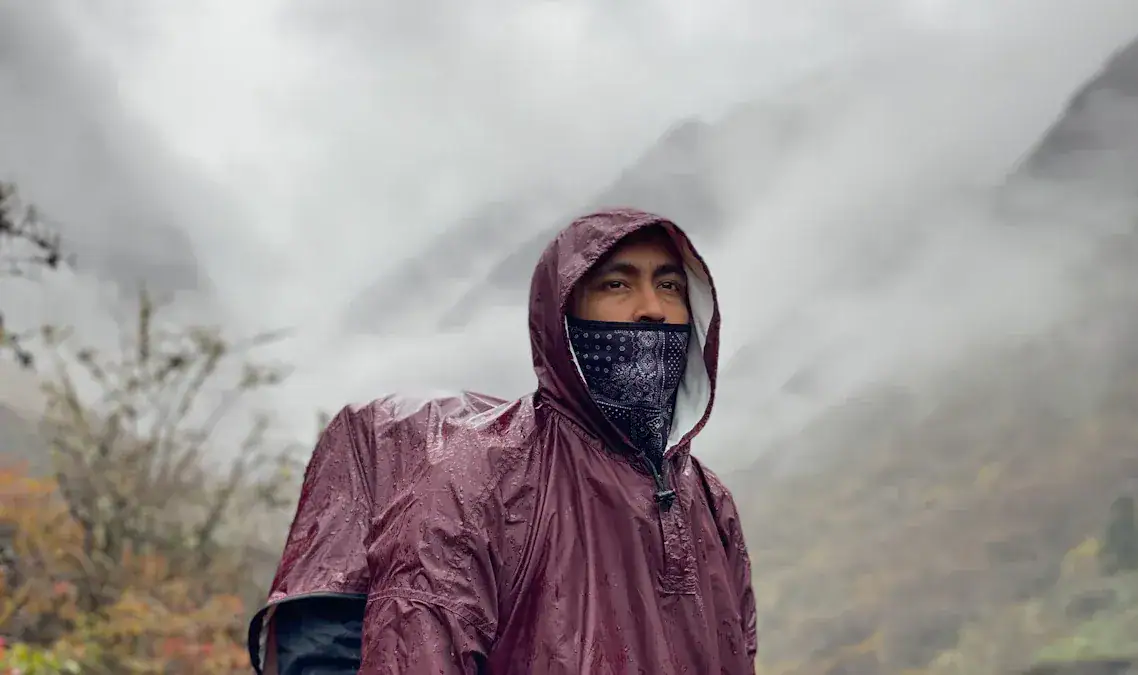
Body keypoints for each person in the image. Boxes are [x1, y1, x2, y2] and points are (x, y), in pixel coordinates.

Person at [247, 208, 757, 674]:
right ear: (561, 314)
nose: (653, 309)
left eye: (670, 286)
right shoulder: (482, 480)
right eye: (617, 284)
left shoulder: (711, 505)